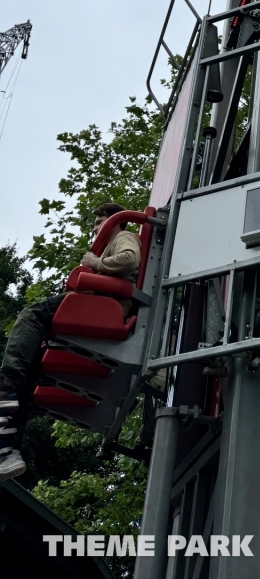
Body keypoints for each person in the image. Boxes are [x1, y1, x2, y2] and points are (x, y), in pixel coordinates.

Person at [0, 203, 140, 482]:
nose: (95, 228)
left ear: (114, 220)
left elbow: (130, 260)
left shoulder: (123, 236)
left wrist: (94, 264)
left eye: (99, 221)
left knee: (32, 314)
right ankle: (8, 449)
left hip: (103, 304)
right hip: (97, 301)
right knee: (33, 369)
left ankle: (6, 385)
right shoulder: (110, 241)